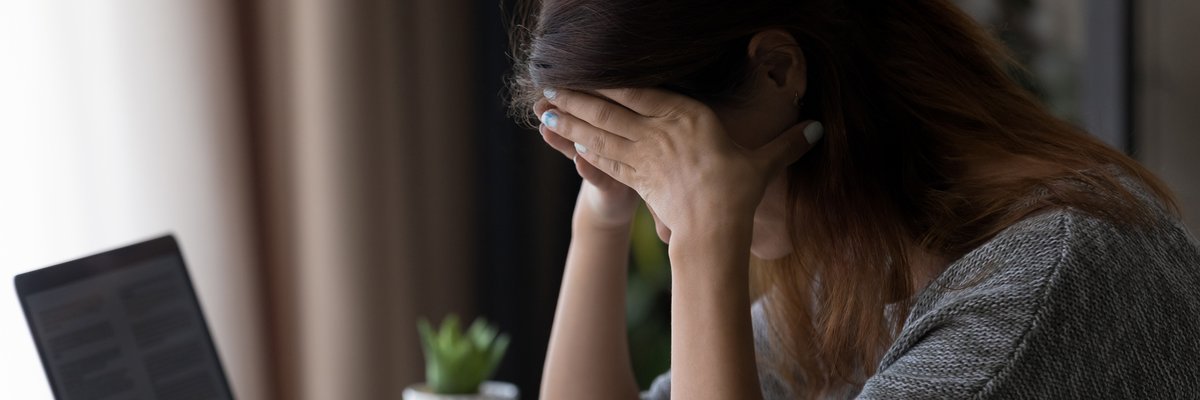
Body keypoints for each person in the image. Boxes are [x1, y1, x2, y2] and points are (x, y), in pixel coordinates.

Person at [507, 0, 1200, 398]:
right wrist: (603, 212)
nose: (667, 211)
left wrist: (706, 231)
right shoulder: (859, 278)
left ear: (780, 71)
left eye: (670, 157)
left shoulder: (1038, 290)